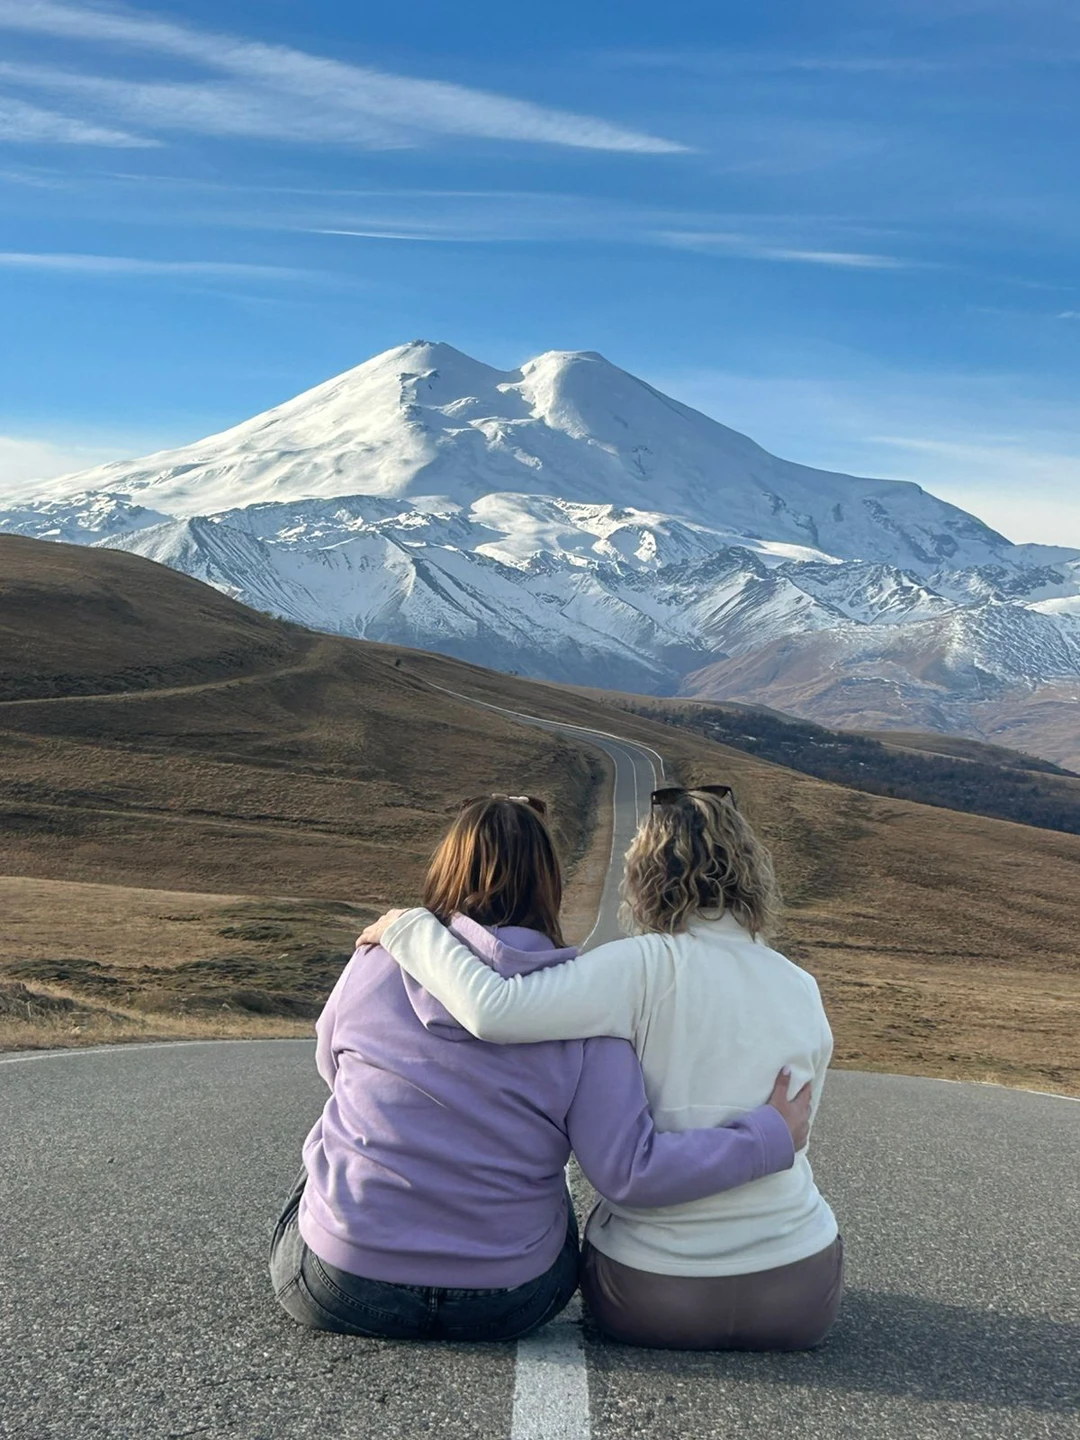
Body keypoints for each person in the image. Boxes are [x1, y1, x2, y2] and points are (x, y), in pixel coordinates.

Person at [270, 792, 811, 1343]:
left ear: (445, 865)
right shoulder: (579, 1001)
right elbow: (625, 1165)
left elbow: (331, 1067)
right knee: (551, 1182)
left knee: (332, 1133)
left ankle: (358, 1229)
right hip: (509, 1299)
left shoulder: (374, 959)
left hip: (342, 1285)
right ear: (548, 882)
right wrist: (765, 1136)